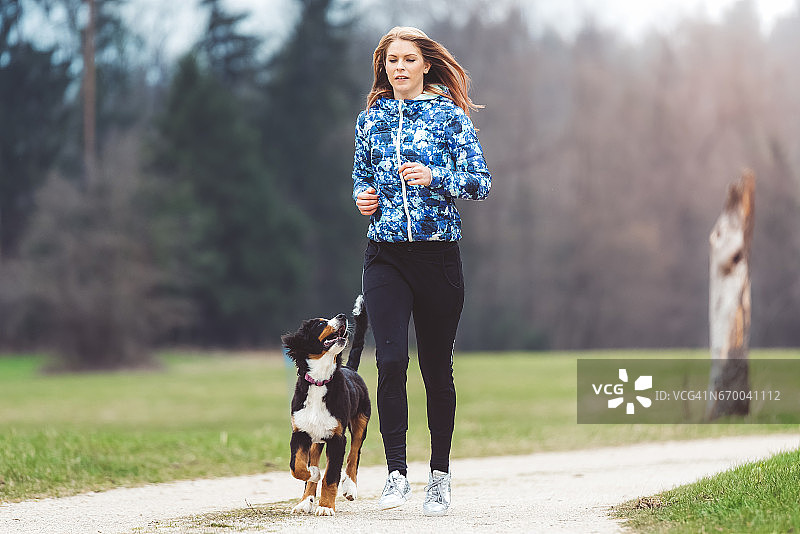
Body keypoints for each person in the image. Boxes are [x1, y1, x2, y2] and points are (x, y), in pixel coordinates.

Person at [352, 26, 491, 516]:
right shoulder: (370, 120)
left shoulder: (449, 118)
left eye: (409, 59)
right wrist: (363, 199)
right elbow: (360, 181)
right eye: (393, 61)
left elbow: (481, 183)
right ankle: (394, 475)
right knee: (390, 362)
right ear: (384, 67)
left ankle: (439, 477)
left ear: (425, 65)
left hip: (438, 257)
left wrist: (438, 177)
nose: (400, 68)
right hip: (385, 256)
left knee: (436, 369)